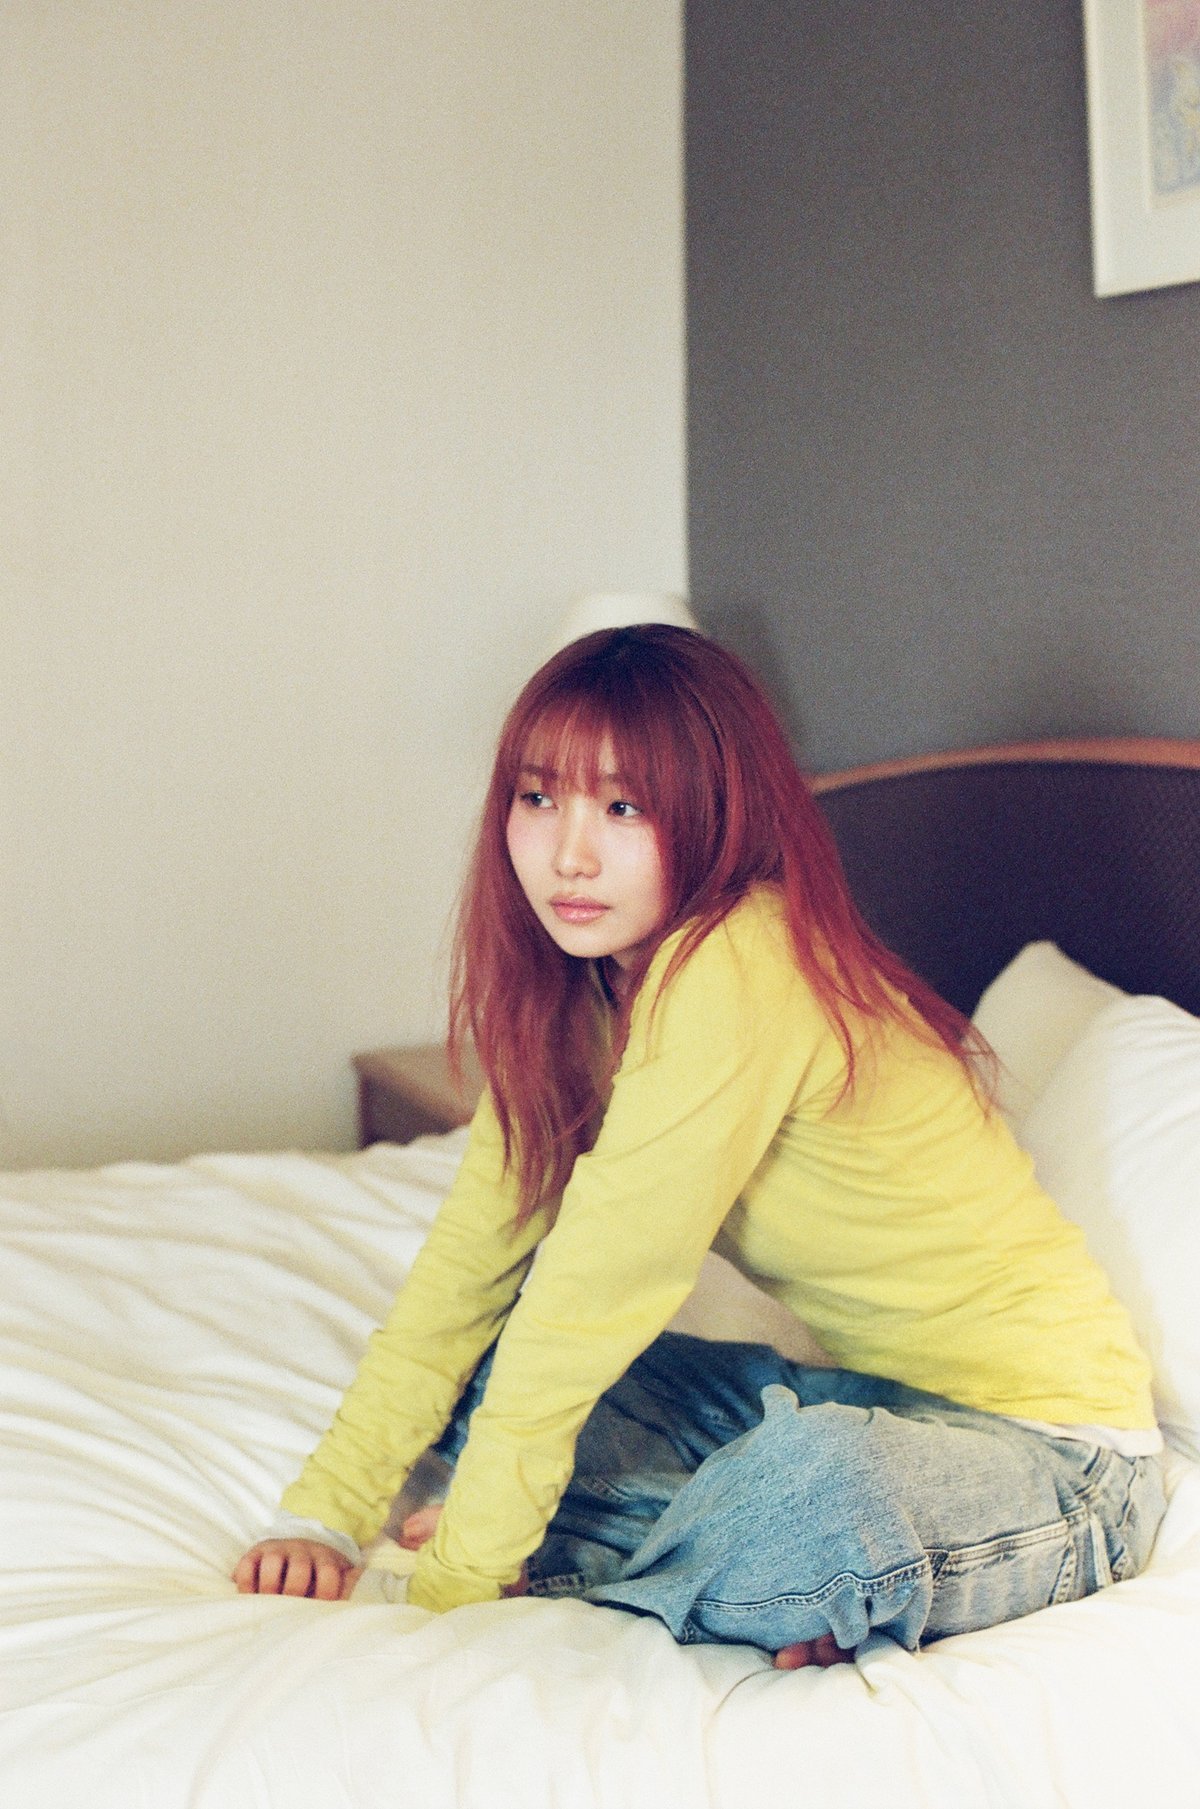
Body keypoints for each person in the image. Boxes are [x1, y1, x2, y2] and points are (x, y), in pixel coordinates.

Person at [234, 625, 1165, 1669]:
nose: (570, 854)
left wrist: (458, 1583)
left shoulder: (742, 960)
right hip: (869, 1402)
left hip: (1059, 1459)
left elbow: (599, 1286)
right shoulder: (581, 996)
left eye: (623, 808)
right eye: (539, 798)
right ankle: (761, 1573)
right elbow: (468, 1270)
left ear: (716, 812)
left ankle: (711, 1560)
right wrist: (321, 1515)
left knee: (814, 1491)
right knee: (496, 1375)